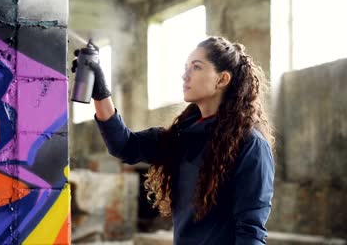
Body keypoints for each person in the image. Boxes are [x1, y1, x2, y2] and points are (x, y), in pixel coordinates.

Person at [71, 36, 275, 244]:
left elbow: (250, 230)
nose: (184, 75)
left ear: (222, 79)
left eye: (196, 67)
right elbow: (125, 146)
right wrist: (100, 93)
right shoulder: (181, 135)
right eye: (186, 67)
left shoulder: (250, 144)